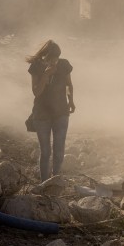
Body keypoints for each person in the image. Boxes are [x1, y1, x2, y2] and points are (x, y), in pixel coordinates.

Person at [26, 40, 75, 181]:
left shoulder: (64, 64)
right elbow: (36, 92)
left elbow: (69, 85)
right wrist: (45, 75)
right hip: (42, 114)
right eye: (51, 58)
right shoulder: (35, 66)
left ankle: (56, 180)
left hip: (61, 112)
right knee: (46, 151)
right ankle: (44, 182)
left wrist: (71, 100)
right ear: (44, 57)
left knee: (59, 150)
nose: (54, 61)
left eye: (56, 58)